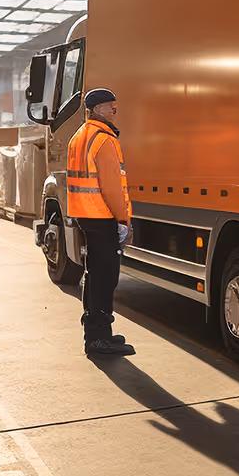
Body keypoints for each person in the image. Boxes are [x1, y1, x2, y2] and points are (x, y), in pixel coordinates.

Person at [67, 88, 135, 357]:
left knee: (95, 276)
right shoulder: (104, 139)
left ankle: (98, 334)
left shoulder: (79, 137)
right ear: (97, 110)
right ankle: (98, 339)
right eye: (111, 108)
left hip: (86, 215)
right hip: (103, 215)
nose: (115, 113)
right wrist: (123, 220)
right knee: (105, 278)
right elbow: (112, 188)